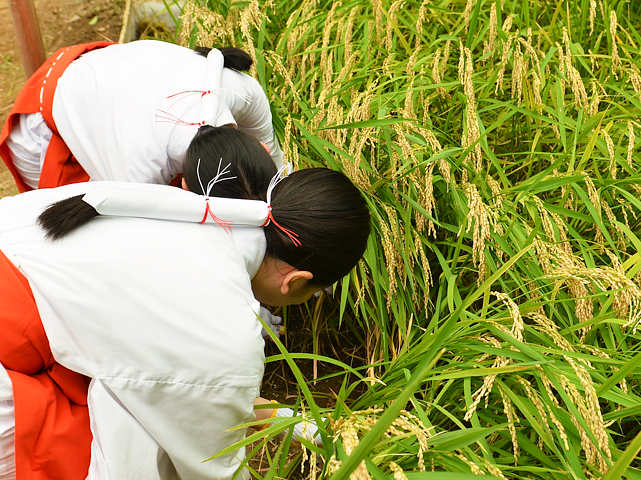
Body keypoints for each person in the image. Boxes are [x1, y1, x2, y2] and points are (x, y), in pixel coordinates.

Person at [0, 131, 370, 479]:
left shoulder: (191, 211)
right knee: (132, 438)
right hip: (12, 355)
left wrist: (295, 421)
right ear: (296, 281)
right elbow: (211, 465)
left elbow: (189, 382)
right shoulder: (224, 330)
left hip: (25, 306)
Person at [0, 40, 283, 192]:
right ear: (184, 186)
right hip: (43, 124)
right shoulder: (138, 171)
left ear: (261, 149)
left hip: (111, 82)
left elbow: (278, 171)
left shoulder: (244, 91)